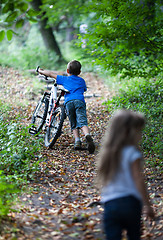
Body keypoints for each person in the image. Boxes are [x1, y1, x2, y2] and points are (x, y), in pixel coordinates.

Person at [96, 109, 155, 240]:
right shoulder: (132, 152)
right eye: (139, 131)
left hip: (110, 204)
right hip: (130, 203)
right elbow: (138, 179)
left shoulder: (108, 153)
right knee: (134, 236)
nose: (140, 135)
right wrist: (147, 204)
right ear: (129, 132)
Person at [38, 60, 95, 154]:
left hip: (69, 103)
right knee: (82, 121)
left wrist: (41, 71)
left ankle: (77, 141)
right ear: (79, 72)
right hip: (79, 101)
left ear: (68, 71)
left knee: (73, 122)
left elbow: (51, 74)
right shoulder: (82, 81)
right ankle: (87, 135)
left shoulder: (65, 79)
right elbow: (84, 89)